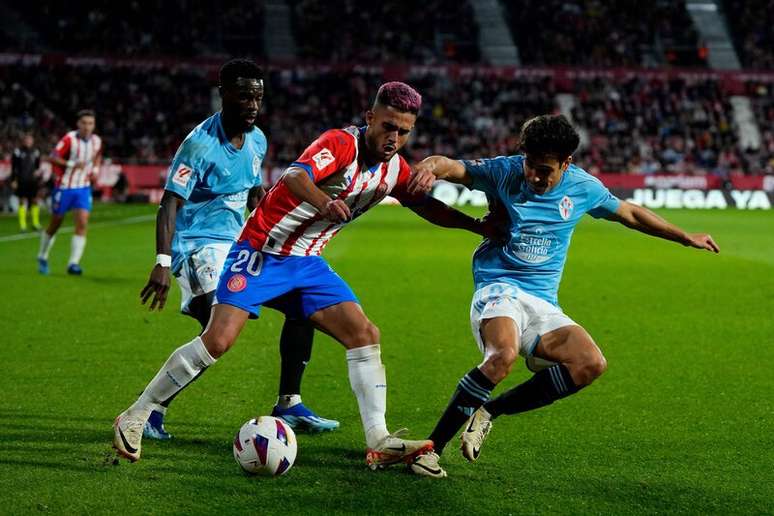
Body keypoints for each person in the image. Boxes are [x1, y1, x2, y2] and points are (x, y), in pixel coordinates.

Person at [114, 81, 500, 468]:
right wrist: (324, 202)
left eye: (403, 131)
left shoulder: (393, 169)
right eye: (387, 126)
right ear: (370, 118)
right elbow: (294, 177)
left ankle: (379, 440)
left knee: (364, 334)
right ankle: (136, 414)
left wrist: (476, 226)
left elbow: (427, 207)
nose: (393, 137)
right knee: (218, 340)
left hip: (307, 263)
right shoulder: (339, 144)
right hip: (261, 252)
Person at [407, 114, 720, 478]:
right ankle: (430, 450)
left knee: (589, 364)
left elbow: (631, 213)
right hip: (499, 286)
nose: (535, 177)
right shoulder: (503, 172)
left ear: (566, 164)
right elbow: (452, 166)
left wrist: (685, 237)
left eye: (545, 170)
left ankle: (488, 411)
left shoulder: (582, 187)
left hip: (542, 301)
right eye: (531, 166)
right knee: (502, 357)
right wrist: (430, 167)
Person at [138, 58, 337, 440]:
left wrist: (273, 227)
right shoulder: (198, 145)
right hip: (197, 248)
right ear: (223, 95)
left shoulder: (257, 139)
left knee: (303, 303)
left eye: (258, 97)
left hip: (238, 245)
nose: (252, 105)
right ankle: (150, 410)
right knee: (217, 333)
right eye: (244, 96)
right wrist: (162, 261)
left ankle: (290, 403)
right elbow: (169, 203)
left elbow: (253, 192)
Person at [37, 110, 103, 275]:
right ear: (78, 124)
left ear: (93, 125)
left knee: (82, 223)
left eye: (90, 123)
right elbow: (53, 156)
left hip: (83, 187)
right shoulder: (69, 139)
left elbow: (97, 156)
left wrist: (95, 169)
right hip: (64, 187)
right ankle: (42, 256)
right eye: (84, 123)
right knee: (55, 223)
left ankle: (73, 263)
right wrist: (71, 163)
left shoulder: (96, 141)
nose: (87, 127)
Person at [11, 133, 43, 232]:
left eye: (30, 140)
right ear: (23, 141)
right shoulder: (17, 152)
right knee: (22, 201)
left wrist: (37, 174)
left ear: (32, 141)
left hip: (32, 180)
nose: (28, 142)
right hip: (21, 180)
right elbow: (14, 167)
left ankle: (35, 223)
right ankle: (23, 225)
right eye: (26, 140)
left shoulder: (36, 152)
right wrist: (14, 180)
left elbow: (37, 166)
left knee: (35, 200)